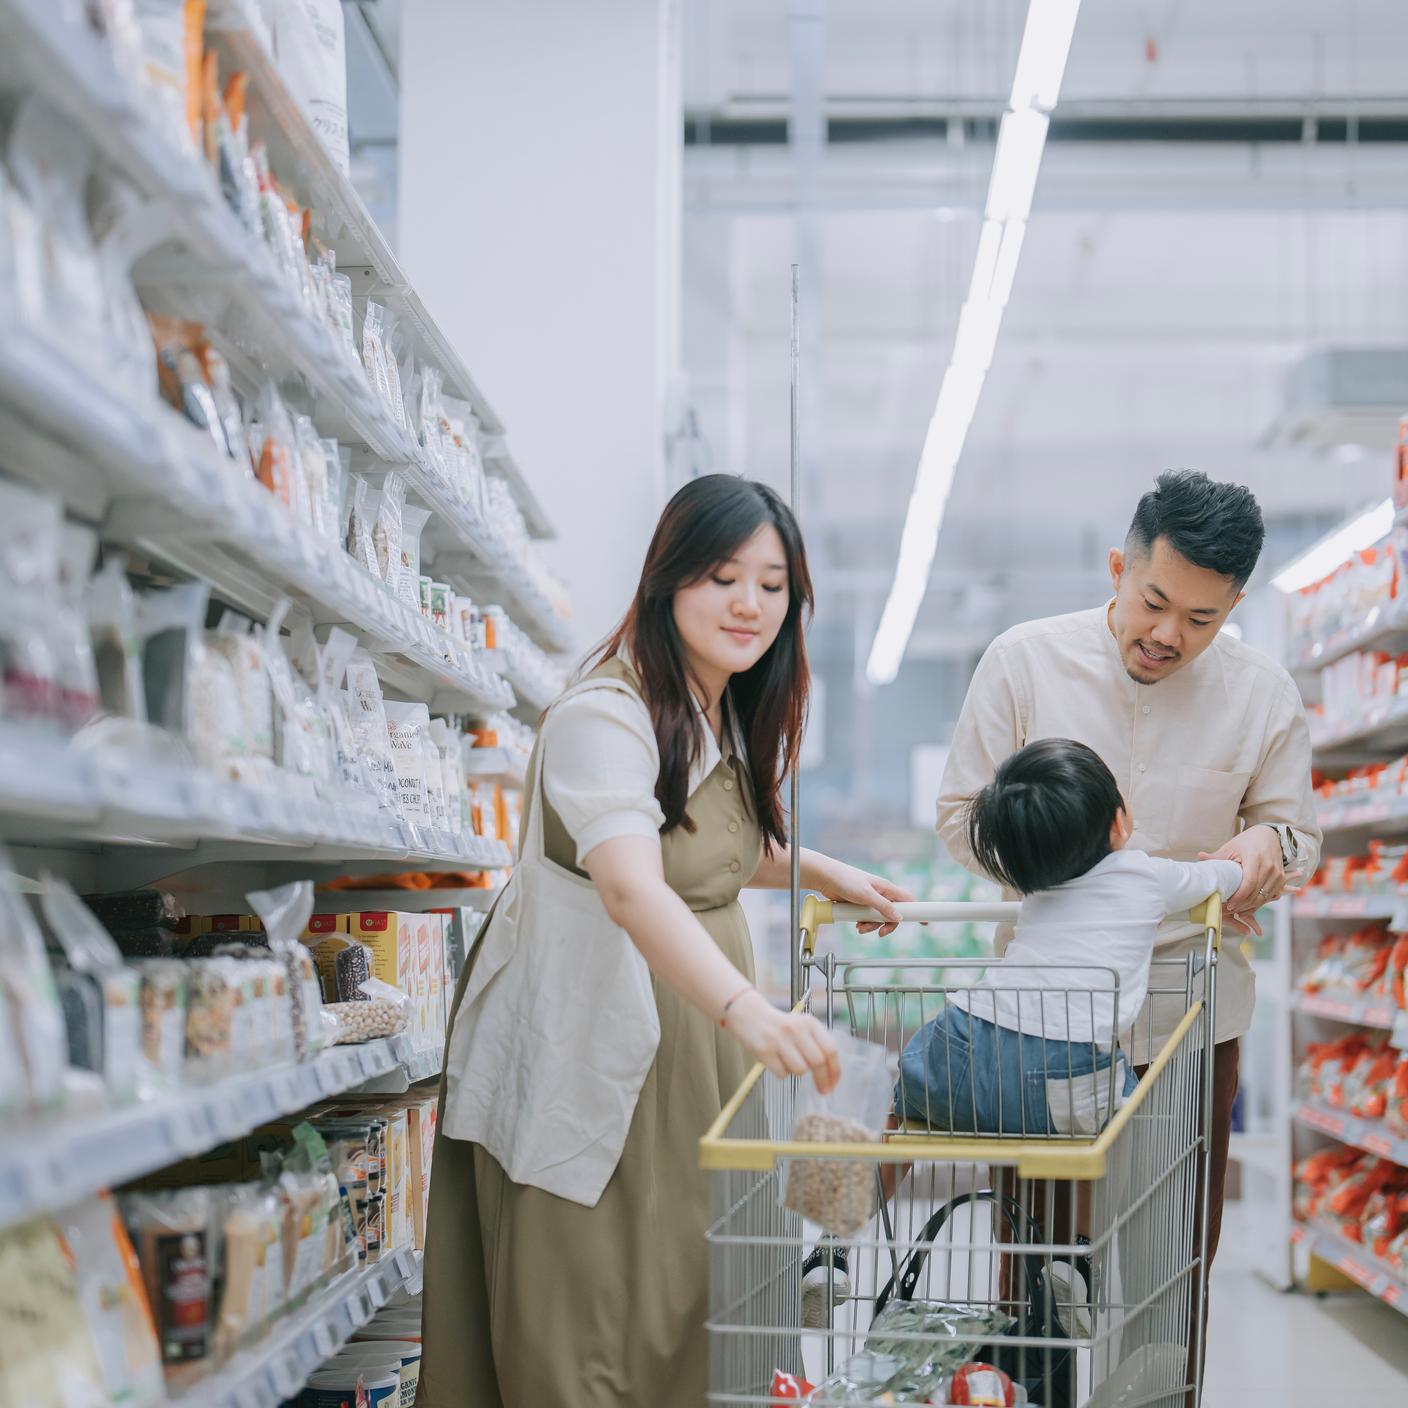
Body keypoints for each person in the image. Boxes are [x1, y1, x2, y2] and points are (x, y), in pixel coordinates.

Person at [415, 474, 912, 1408]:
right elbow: (631, 885)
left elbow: (699, 845)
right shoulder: (605, 714)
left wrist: (820, 869)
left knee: (699, 1300)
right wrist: (744, 1008)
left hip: (692, 1047)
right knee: (600, 1318)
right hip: (603, 1045)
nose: (749, 605)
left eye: (773, 586)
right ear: (667, 579)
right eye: (725, 577)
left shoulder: (712, 700)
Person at [935, 469, 1321, 1383]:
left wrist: (1268, 844)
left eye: (1202, 620)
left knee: (1174, 1272)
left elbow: (1297, 835)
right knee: (1036, 1273)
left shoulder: (1263, 693)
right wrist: (1083, 876)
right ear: (1120, 567)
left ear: (1233, 607)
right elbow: (960, 817)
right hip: (1043, 1026)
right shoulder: (1025, 661)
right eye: (1155, 603)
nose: (1168, 636)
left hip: (1190, 1022)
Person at [898, 737, 1243, 1139]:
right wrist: (1239, 868)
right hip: (1065, 1062)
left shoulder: (1036, 885)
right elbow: (1215, 878)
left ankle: (871, 1193)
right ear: (1119, 823)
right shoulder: (1143, 875)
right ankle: (1101, 1205)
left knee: (906, 1112)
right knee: (1121, 1142)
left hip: (961, 1037)